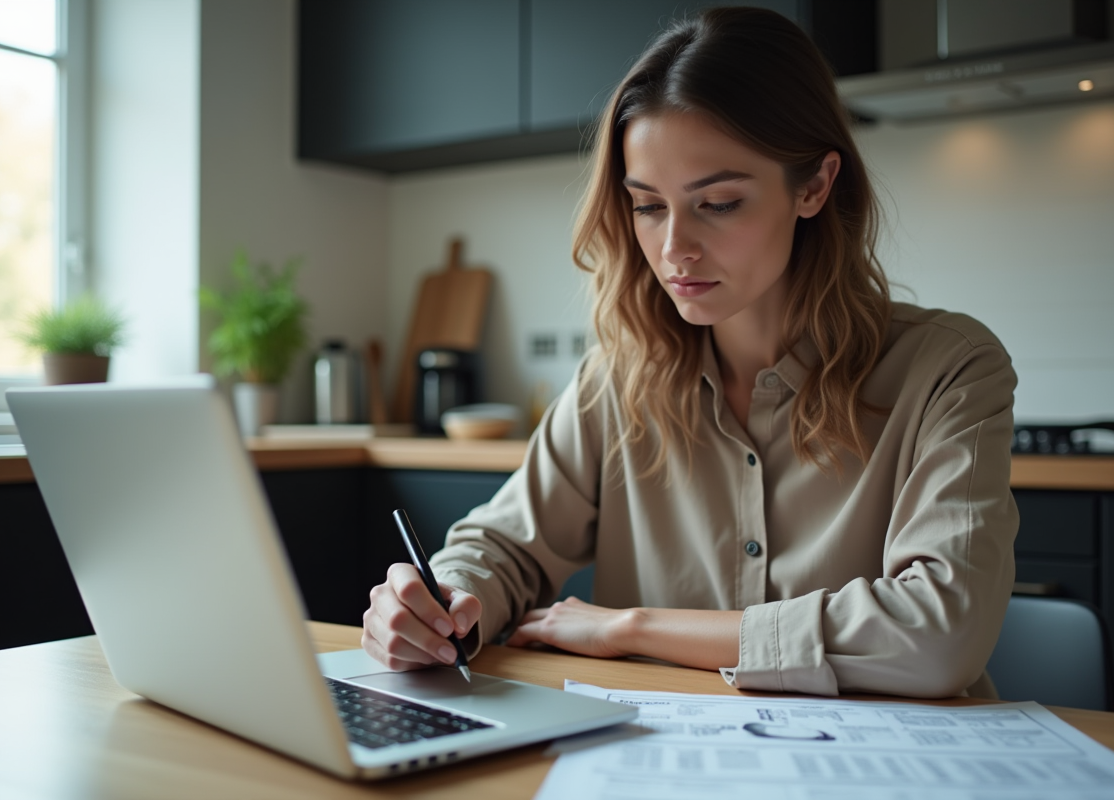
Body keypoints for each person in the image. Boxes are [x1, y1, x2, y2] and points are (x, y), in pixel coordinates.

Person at [362, 6, 1018, 699]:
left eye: (721, 203)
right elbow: (501, 547)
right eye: (647, 205)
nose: (674, 248)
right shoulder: (616, 380)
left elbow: (939, 635)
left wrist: (631, 629)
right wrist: (440, 602)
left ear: (815, 186)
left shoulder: (950, 369)